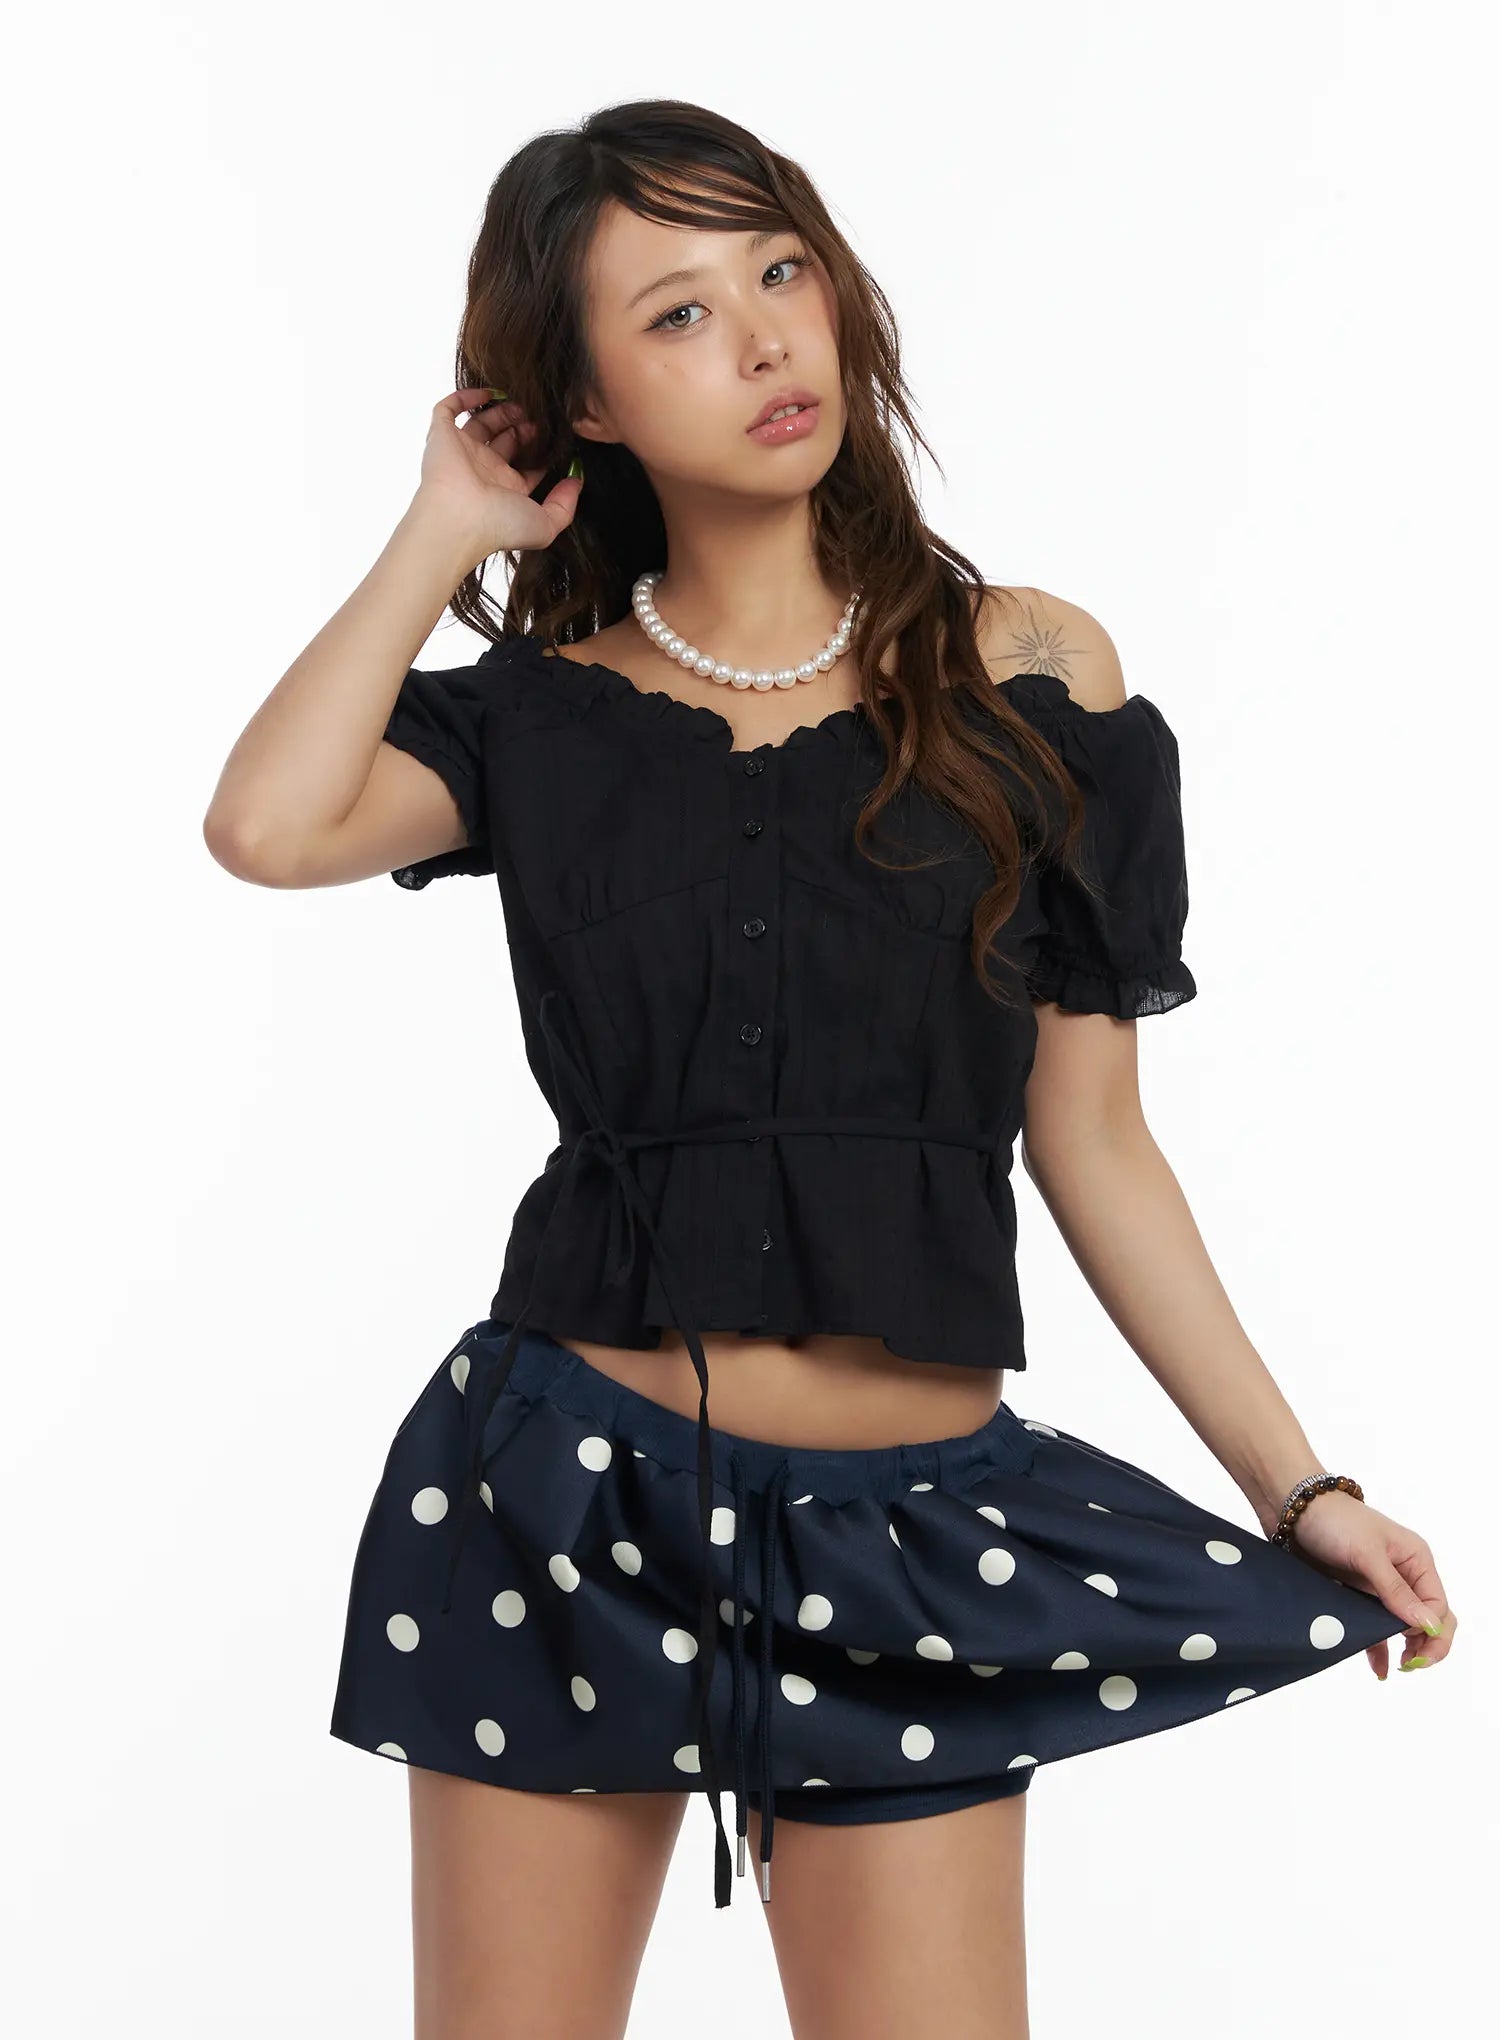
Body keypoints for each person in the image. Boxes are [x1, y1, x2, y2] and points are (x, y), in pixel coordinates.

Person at [203, 99, 1455, 2039]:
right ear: (583, 404)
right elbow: (268, 826)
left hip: (910, 1537)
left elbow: (1097, 1142)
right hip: (562, 1505)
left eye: (781, 269)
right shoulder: (544, 718)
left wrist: (1301, 1490)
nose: (770, 336)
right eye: (680, 313)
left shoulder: (1030, 675)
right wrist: (446, 523)